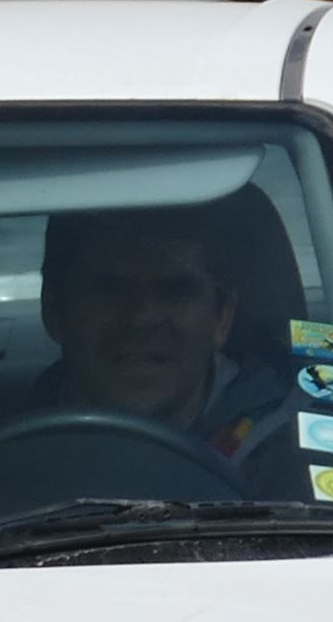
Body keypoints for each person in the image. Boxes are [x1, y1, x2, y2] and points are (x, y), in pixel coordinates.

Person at [20, 199, 314, 495]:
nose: (141, 318)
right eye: (110, 291)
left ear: (222, 317)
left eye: (175, 293)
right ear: (54, 309)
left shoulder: (297, 462)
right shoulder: (3, 462)